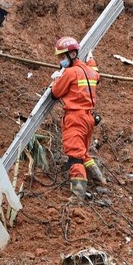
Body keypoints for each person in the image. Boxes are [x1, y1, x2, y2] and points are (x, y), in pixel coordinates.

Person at [50, 36, 107, 200]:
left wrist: (56, 79)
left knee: (75, 154)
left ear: (72, 55)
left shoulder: (70, 73)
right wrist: (92, 61)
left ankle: (78, 194)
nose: (60, 60)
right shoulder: (90, 71)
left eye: (62, 57)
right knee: (83, 152)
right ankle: (99, 179)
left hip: (75, 118)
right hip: (89, 118)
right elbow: (97, 75)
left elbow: (55, 94)